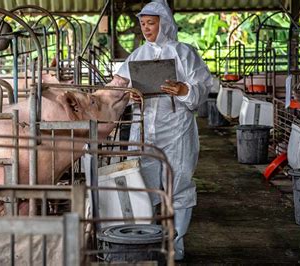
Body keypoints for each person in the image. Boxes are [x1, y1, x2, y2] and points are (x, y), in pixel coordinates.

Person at [108, 0, 213, 260]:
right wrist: (126, 94)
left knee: (178, 184)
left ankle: (175, 246)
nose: (146, 28)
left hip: (176, 130)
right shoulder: (137, 55)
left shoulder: (183, 53)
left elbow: (202, 86)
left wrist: (183, 89)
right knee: (142, 183)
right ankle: (149, 240)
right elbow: (118, 87)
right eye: (143, 24)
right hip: (143, 131)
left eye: (151, 23)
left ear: (163, 23)